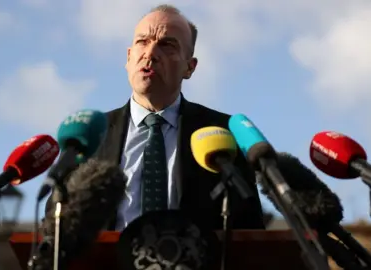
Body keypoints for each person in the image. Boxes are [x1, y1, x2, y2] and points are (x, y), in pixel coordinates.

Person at [92, 4, 266, 231]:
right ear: (128, 57)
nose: (151, 53)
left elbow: (248, 226)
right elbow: (58, 225)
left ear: (189, 67)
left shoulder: (225, 133)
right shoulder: (92, 134)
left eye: (167, 45)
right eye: (142, 42)